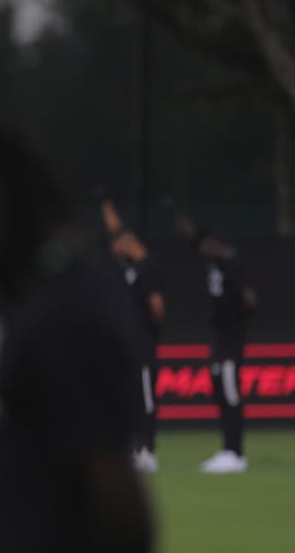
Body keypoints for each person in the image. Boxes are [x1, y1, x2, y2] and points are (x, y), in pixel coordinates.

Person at [172, 208, 255, 474]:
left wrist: (237, 318)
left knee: (231, 395)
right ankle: (227, 449)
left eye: (203, 248)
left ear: (213, 245)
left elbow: (250, 299)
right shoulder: (214, 261)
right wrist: (178, 216)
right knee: (220, 393)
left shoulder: (232, 264)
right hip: (219, 339)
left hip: (231, 340)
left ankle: (236, 453)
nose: (198, 253)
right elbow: (194, 238)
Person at [101, 197, 164, 473]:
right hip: (128, 345)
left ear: (128, 243)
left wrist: (147, 329)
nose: (113, 246)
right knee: (133, 400)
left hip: (144, 343)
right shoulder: (125, 266)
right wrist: (106, 205)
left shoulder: (147, 267)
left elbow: (157, 307)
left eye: (118, 242)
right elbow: (115, 230)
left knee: (147, 398)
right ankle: (135, 449)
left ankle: (149, 451)